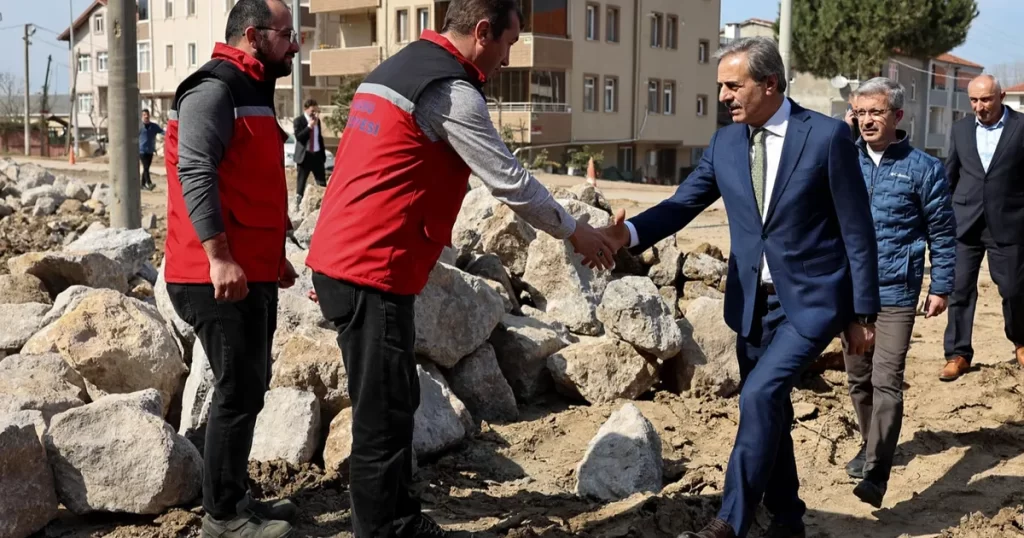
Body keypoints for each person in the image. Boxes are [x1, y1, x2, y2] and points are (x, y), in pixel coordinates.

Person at [304, 0, 618, 536]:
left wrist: (327, 254)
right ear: (481, 32)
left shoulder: (398, 68)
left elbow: (357, 169)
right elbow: (509, 180)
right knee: (382, 419)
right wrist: (578, 232)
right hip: (370, 270)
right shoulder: (451, 91)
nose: (508, 56)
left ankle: (398, 519)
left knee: (394, 400)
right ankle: (382, 530)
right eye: (509, 42)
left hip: (353, 262)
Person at [598, 36, 880, 538]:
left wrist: (861, 315)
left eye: (734, 85)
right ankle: (789, 519)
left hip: (812, 302)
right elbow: (682, 204)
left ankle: (730, 521)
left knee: (758, 396)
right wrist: (630, 235)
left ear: (769, 84)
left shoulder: (828, 137)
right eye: (721, 86)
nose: (724, 95)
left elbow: (857, 230)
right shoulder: (725, 143)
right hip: (752, 305)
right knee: (771, 407)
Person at [162, 1, 300, 537]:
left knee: (249, 387)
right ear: (252, 35)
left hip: (249, 270)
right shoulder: (214, 89)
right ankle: (222, 517)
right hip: (210, 274)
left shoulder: (252, 91)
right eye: (287, 34)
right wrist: (220, 258)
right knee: (237, 390)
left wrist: (273, 259)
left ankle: (236, 498)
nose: (294, 45)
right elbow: (195, 171)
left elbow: (249, 186)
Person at [839, 77, 956, 508]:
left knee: (887, 378)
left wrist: (941, 286)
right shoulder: (842, 160)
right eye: (861, 112)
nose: (867, 120)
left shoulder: (924, 169)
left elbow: (943, 233)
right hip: (849, 291)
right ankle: (870, 445)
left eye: (877, 112)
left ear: (898, 117)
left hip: (896, 290)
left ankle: (876, 472)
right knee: (858, 377)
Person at [941, 74, 1024, 381]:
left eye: (986, 99)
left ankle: (1020, 341)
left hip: (1009, 222)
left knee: (1015, 289)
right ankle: (958, 353)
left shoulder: (1021, 127)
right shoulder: (961, 129)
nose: (979, 106)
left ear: (1001, 96)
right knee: (960, 289)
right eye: (974, 100)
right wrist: (941, 214)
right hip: (965, 222)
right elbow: (951, 173)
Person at [292, 98, 327, 208]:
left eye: (317, 111)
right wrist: (309, 127)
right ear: (306, 109)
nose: (315, 114)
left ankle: (323, 206)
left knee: (321, 183)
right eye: (312, 111)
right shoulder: (299, 121)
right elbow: (299, 137)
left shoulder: (318, 121)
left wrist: (323, 155)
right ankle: (298, 205)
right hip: (304, 156)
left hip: (317, 156)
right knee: (301, 183)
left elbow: (319, 138)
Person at [139, 108, 165, 191]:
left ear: (149, 115)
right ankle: (149, 183)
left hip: (150, 151)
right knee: (146, 167)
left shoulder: (153, 126)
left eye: (147, 114)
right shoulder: (139, 127)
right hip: (141, 151)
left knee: (146, 168)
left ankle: (142, 184)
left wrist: (170, 134)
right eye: (144, 115)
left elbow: (163, 132)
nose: (146, 116)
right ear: (141, 116)